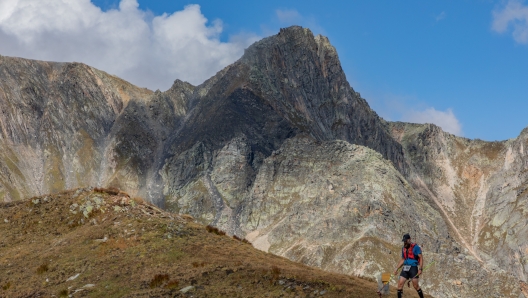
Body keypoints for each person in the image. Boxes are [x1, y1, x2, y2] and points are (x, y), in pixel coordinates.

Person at [393, 233, 424, 298]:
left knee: (415, 286)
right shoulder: (403, 248)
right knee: (400, 284)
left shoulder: (416, 247)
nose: (405, 242)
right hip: (405, 268)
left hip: (413, 268)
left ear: (409, 240)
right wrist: (396, 268)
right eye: (404, 241)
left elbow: (421, 257)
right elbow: (403, 259)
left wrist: (420, 269)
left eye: (406, 240)